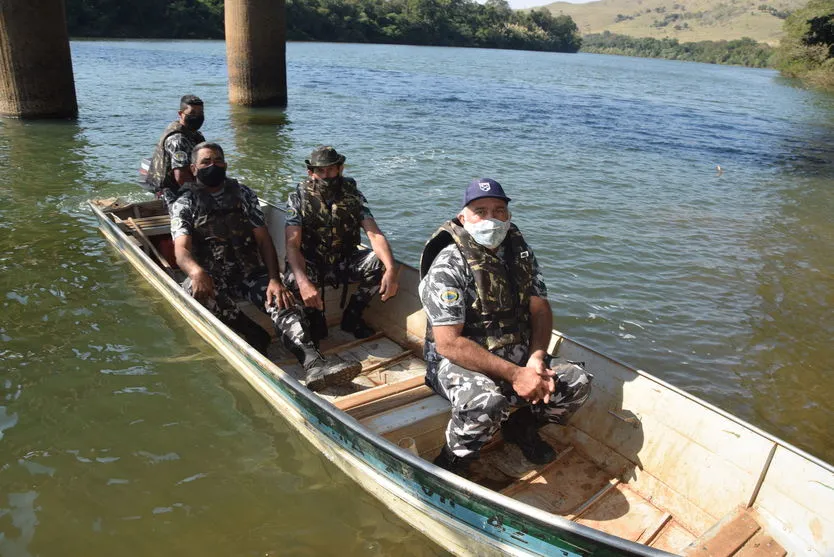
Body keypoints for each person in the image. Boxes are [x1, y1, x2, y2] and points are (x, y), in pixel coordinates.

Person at [418, 178, 592, 474]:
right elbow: (448, 343)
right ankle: (452, 461)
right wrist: (515, 375)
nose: (491, 218)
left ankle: (520, 428)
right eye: (480, 211)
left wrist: (536, 358)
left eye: (499, 210)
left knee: (577, 381)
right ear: (463, 218)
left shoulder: (519, 253)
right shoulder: (449, 264)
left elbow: (540, 310)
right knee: (486, 403)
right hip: (459, 361)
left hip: (517, 353)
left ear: (508, 216)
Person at [170, 142, 361, 391]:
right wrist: (196, 272)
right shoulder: (185, 202)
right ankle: (251, 332)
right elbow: (181, 251)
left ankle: (313, 362)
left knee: (282, 299)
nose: (212, 165)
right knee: (191, 292)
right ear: (194, 168)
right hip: (212, 275)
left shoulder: (243, 194)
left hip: (249, 271)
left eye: (218, 160)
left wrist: (274, 279)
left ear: (226, 164)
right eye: (206, 162)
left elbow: (263, 239)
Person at [273, 145, 399, 362]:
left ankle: (352, 317)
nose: (326, 175)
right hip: (312, 263)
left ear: (340, 169)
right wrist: (304, 284)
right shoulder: (298, 198)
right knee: (294, 279)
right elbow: (292, 246)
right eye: (321, 171)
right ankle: (314, 318)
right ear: (311, 172)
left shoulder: (353, 195)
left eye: (331, 170)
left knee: (380, 263)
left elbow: (374, 234)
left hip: (343, 261)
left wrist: (391, 269)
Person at [147, 95, 206, 205]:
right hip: (172, 193)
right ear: (180, 114)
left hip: (187, 187)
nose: (197, 117)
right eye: (192, 113)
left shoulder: (194, 134)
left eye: (200, 113)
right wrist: (202, 197)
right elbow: (181, 177)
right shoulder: (177, 140)